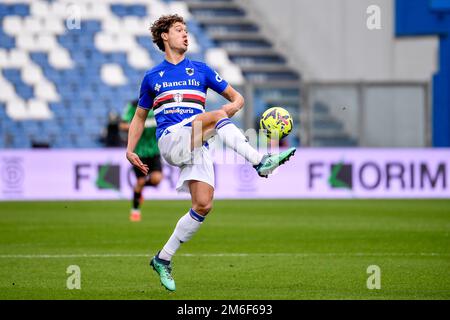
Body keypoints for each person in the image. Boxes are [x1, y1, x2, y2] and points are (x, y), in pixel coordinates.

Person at [126, 14, 296, 291]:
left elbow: (237, 99)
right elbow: (139, 116)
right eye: (178, 30)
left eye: (186, 30)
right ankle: (260, 162)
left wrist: (222, 115)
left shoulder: (202, 70)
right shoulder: (152, 77)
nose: (185, 34)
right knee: (212, 117)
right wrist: (130, 149)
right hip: (171, 139)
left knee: (203, 204)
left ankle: (162, 258)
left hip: (197, 142)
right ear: (165, 37)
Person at [121, 99, 163, 222]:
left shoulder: (160, 104)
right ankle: (135, 210)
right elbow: (122, 125)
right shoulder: (134, 106)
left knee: (157, 179)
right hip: (139, 152)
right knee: (140, 181)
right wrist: (136, 126)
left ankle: (139, 191)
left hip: (154, 151)